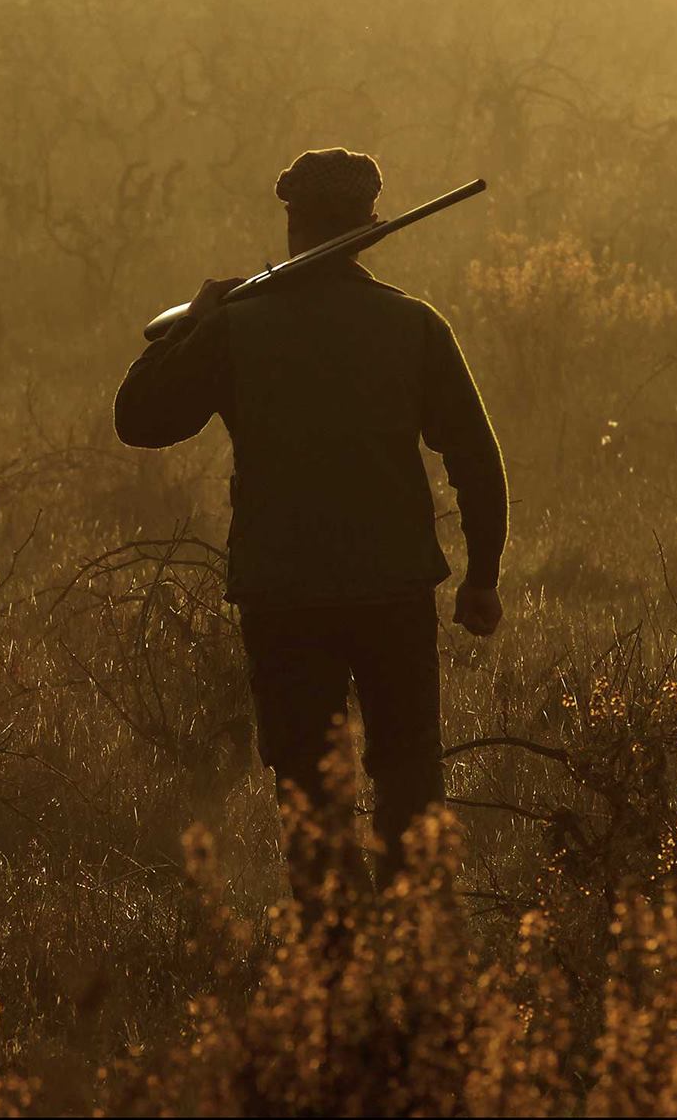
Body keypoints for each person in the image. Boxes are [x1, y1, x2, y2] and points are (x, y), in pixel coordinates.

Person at [113, 148, 508, 894]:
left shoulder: (235, 329)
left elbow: (138, 418)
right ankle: (415, 951)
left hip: (284, 596)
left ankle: (334, 970)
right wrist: (481, 578)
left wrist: (197, 323)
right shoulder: (413, 324)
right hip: (392, 591)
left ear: (293, 224)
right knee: (408, 772)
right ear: (369, 226)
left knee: (308, 789)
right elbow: (477, 458)